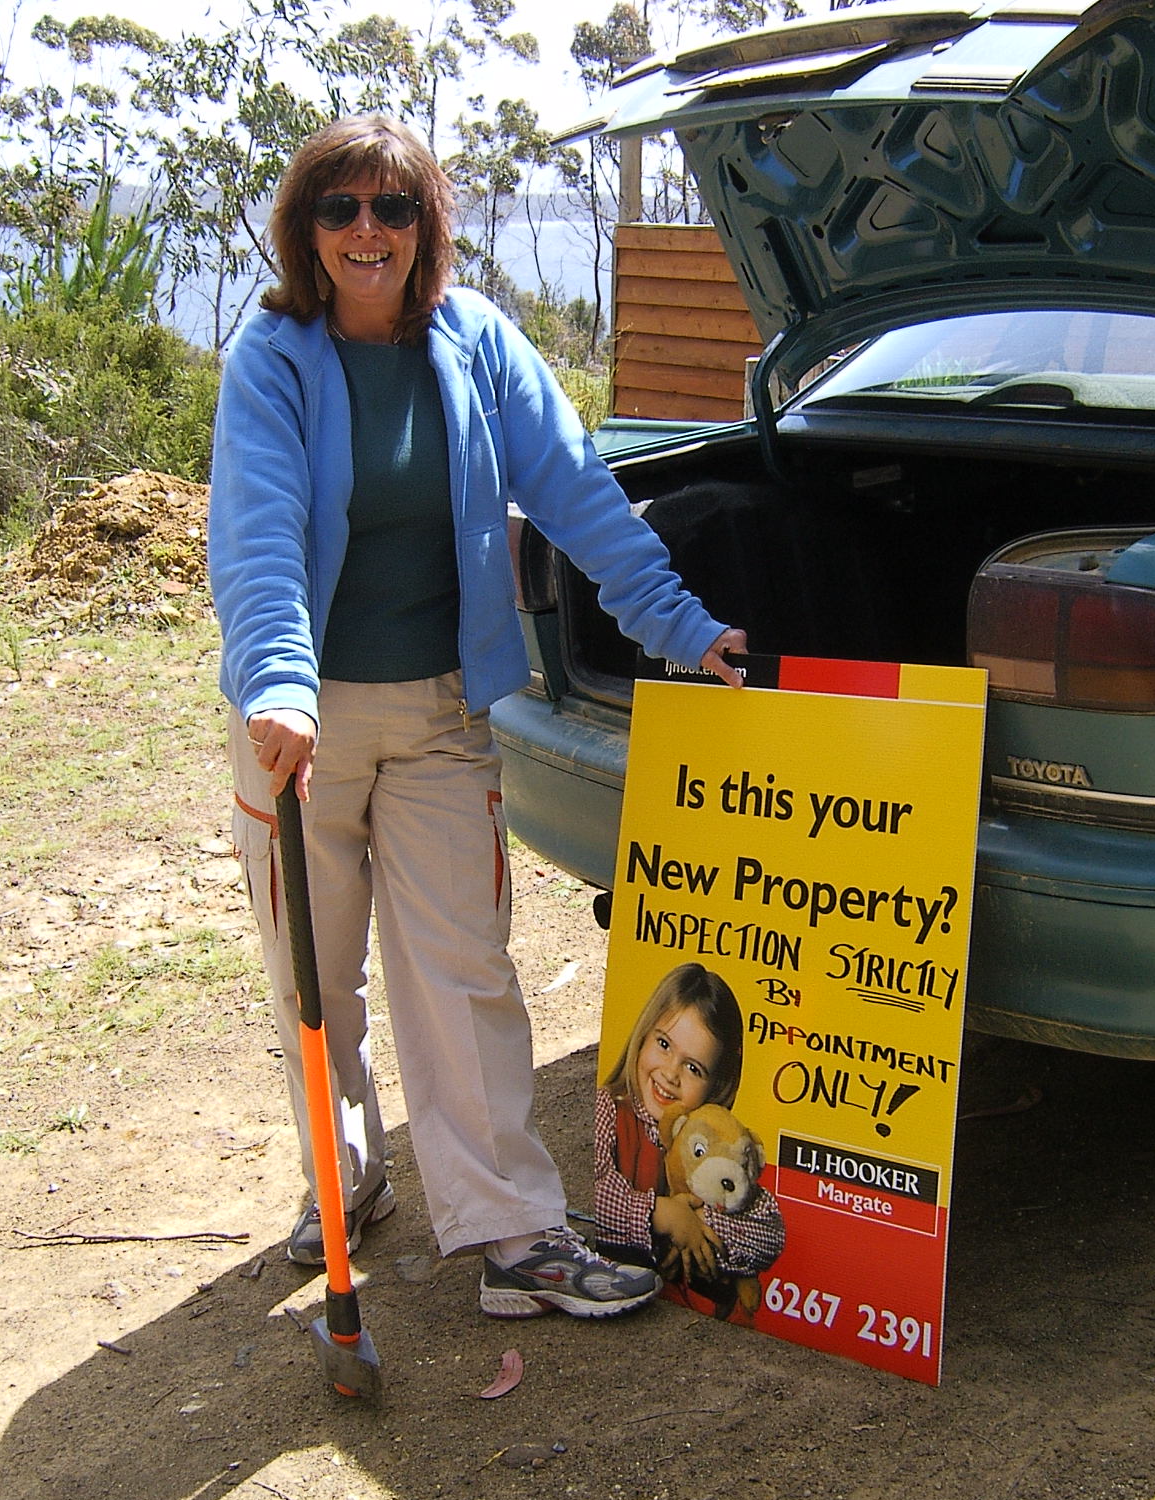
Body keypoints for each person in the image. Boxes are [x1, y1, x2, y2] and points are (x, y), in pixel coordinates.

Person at [208, 115, 747, 1320]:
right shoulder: (272, 360)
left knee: (463, 972)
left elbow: (577, 494)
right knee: (313, 980)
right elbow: (257, 536)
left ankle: (512, 1231)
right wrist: (280, 685)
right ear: (306, 229)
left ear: (425, 228)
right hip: (299, 726)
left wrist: (678, 625)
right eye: (340, 208)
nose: (367, 231)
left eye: (392, 209)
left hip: (442, 713)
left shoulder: (475, 342)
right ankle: (344, 1181)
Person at [594, 962, 785, 1314]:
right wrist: (661, 1214)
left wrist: (699, 1225)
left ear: (717, 1086)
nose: (671, 1073)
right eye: (663, 1044)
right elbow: (594, 1195)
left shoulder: (712, 1143)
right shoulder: (610, 1109)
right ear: (643, 1034)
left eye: (694, 1068)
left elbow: (769, 1233)